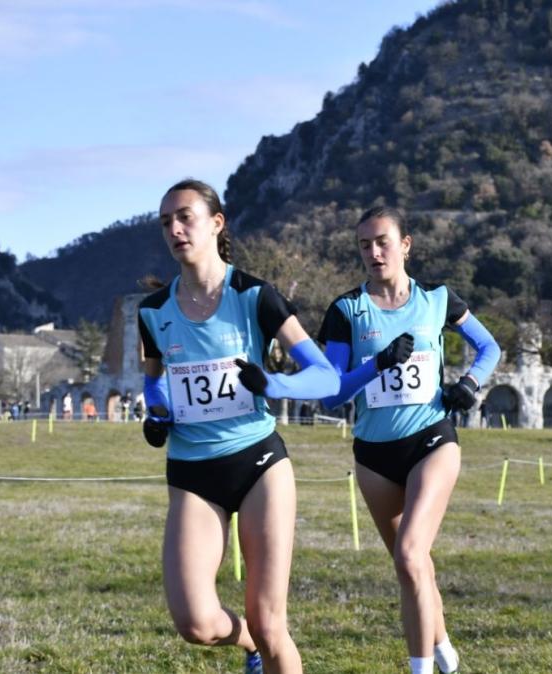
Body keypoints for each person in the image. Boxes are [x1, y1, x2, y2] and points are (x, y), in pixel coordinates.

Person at [137, 179, 338, 674]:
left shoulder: (255, 297)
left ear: (217, 223)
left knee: (271, 623)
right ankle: (246, 642)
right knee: (196, 623)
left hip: (258, 464)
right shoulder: (153, 312)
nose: (175, 229)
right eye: (166, 222)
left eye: (185, 217)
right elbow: (155, 383)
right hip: (192, 471)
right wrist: (158, 413)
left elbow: (325, 375)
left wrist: (273, 384)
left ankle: (262, 640)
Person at [317, 206, 501, 674]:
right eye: (364, 245)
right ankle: (442, 647)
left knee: (410, 553)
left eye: (382, 241)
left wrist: (471, 383)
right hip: (374, 455)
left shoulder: (438, 299)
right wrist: (375, 364)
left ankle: (421, 668)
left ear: (405, 244)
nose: (373, 252)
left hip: (431, 440)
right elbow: (332, 393)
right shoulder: (345, 311)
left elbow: (490, 347)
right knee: (411, 567)